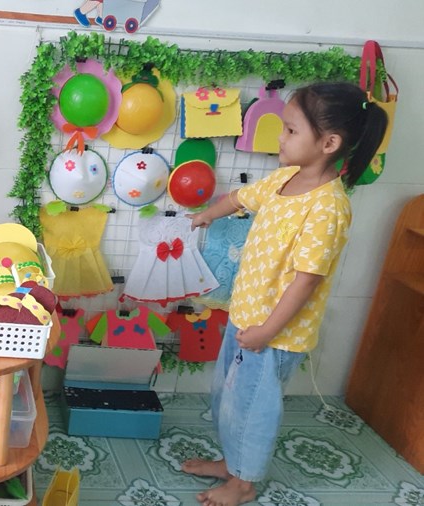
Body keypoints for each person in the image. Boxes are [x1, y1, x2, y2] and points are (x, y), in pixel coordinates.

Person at [182, 82, 388, 506]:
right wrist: (206, 215)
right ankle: (231, 464)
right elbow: (241, 197)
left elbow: (305, 281)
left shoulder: (327, 207)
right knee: (229, 399)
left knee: (252, 410)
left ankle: (243, 484)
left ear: (329, 143)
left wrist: (267, 331)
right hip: (246, 318)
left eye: (291, 130)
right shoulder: (284, 179)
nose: (280, 137)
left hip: (274, 335)